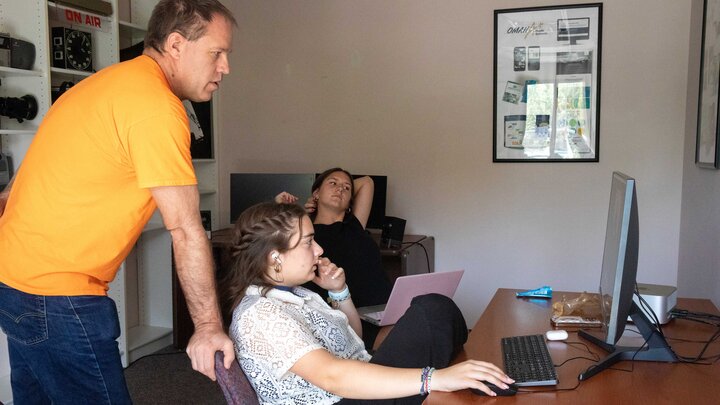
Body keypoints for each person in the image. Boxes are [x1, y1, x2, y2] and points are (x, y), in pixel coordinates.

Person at [0, 1, 236, 402]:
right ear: (176, 45)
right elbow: (185, 228)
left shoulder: (101, 84)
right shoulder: (155, 106)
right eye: (217, 52)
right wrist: (209, 326)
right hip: (60, 296)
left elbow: (15, 189)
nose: (225, 67)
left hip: (15, 280)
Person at [221, 202, 514, 404]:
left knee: (432, 307)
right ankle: (450, 381)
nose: (320, 249)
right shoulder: (260, 314)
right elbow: (331, 376)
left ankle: (462, 379)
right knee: (429, 311)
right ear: (274, 256)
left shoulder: (298, 294)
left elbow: (354, 339)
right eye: (309, 242)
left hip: (356, 384)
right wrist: (433, 379)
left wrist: (338, 291)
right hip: (342, 399)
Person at [276, 168, 393, 349]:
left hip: (387, 309)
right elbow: (272, 243)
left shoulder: (355, 223)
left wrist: (335, 189)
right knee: (427, 325)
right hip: (354, 317)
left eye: (346, 188)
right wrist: (281, 208)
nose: (340, 189)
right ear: (316, 192)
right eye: (333, 183)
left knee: (437, 308)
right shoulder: (305, 236)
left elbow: (367, 182)